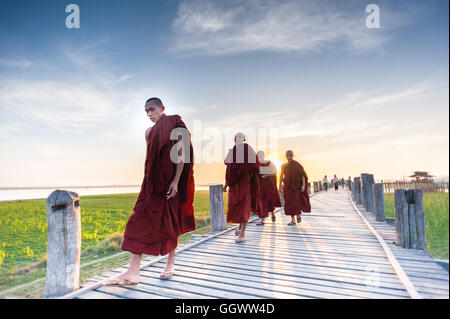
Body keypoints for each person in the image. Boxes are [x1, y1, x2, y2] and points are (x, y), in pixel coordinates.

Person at [104, 97, 195, 284]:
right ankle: (133, 271)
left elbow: (181, 154)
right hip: (151, 186)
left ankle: (170, 263)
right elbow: (150, 161)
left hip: (169, 186)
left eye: (152, 109)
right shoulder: (149, 132)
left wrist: (176, 182)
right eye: (146, 111)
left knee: (169, 224)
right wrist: (147, 183)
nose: (149, 114)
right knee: (137, 222)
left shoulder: (174, 123)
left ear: (162, 108)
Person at [223, 133, 263, 243]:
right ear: (234, 139)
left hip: (245, 183)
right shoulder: (232, 151)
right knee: (236, 206)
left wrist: (248, 178)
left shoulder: (248, 149)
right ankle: (239, 227)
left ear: (244, 139)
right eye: (237, 137)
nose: (239, 138)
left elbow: (255, 166)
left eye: (241, 137)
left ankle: (242, 233)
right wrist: (226, 184)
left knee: (244, 206)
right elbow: (228, 167)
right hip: (234, 185)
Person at [279, 150, 311, 225]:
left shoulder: (298, 165)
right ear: (285, 156)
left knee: (296, 202)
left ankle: (298, 215)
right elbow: (281, 176)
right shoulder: (283, 165)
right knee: (289, 203)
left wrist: (303, 185)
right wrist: (280, 185)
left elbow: (303, 175)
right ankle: (293, 220)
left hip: (297, 186)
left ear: (293, 156)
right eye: (287, 155)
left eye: (290, 155)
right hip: (287, 186)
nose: (289, 157)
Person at [256, 151, 281, 224]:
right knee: (262, 201)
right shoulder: (257, 164)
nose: (259, 157)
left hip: (269, 184)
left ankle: (272, 213)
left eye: (261, 155)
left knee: (270, 200)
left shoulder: (270, 163)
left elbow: (275, 171)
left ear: (264, 156)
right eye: (258, 156)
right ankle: (263, 220)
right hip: (261, 185)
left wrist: (267, 175)